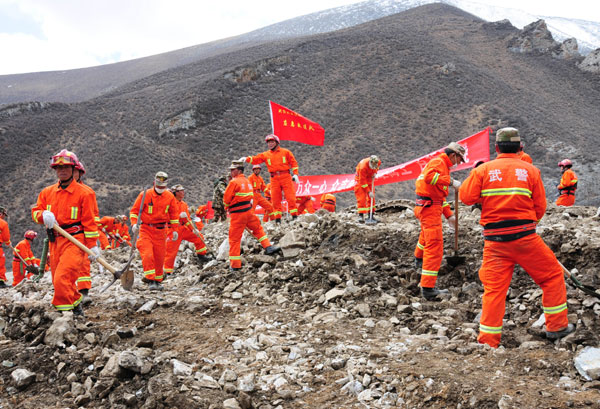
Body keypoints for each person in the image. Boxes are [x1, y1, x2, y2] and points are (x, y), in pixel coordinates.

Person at [460, 127, 573, 348]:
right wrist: (528, 224)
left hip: (494, 243)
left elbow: (466, 197)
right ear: (520, 147)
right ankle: (556, 327)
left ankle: (488, 340)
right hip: (525, 239)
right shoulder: (530, 171)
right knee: (552, 277)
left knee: (494, 290)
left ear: (496, 148)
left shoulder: (484, 171)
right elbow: (540, 207)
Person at [31, 149, 100, 315]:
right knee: (58, 280)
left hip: (75, 241)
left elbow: (90, 222)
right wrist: (42, 215)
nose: (62, 170)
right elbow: (35, 212)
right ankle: (76, 304)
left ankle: (65, 314)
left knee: (62, 277)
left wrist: (93, 245)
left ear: (73, 169)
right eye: (58, 168)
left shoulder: (86, 193)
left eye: (66, 167)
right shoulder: (47, 193)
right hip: (55, 241)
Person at [414, 142, 465, 300]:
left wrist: (449, 215)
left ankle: (418, 260)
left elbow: (439, 197)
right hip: (428, 209)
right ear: (453, 155)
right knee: (434, 246)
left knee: (426, 237)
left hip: (430, 207)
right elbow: (430, 178)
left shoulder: (443, 166)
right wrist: (450, 182)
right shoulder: (439, 163)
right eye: (458, 160)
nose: (458, 163)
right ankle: (428, 288)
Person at [223, 161, 280, 270]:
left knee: (234, 239)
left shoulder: (233, 182)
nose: (230, 172)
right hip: (248, 212)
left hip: (238, 215)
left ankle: (235, 265)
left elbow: (226, 199)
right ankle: (268, 246)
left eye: (232, 170)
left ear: (239, 171)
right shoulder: (247, 181)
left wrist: (227, 207)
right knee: (258, 229)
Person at [129, 171, 180, 291]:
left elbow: (174, 214)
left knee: (159, 257)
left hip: (161, 231)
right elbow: (134, 211)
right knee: (147, 254)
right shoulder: (145, 195)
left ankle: (157, 280)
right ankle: (150, 279)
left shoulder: (169, 197)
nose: (161, 188)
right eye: (159, 186)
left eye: (163, 187)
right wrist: (134, 224)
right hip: (146, 229)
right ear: (154, 183)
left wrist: (175, 230)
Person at [240, 134, 300, 223]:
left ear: (277, 142)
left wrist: (295, 174)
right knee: (275, 200)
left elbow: (293, 163)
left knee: (290, 197)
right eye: (268, 143)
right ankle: (278, 220)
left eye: (272, 142)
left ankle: (294, 217)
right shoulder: (266, 154)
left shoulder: (286, 152)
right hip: (274, 178)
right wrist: (247, 159)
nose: (270, 144)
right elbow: (256, 159)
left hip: (286, 176)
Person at [163, 184, 211, 277]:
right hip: (172, 229)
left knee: (199, 237)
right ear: (175, 193)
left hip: (183, 228)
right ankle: (167, 271)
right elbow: (165, 217)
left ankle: (201, 255)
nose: (183, 192)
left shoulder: (184, 204)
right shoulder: (169, 204)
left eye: (183, 190)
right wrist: (178, 216)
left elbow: (187, 220)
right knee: (171, 251)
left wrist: (193, 230)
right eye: (180, 191)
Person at [72, 159, 100, 303]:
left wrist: (92, 243)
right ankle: (70, 295)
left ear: (80, 173)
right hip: (63, 236)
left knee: (83, 264)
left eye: (75, 171)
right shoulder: (55, 191)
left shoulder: (87, 193)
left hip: (81, 235)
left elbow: (93, 216)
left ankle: (83, 292)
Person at [354, 155, 381, 223]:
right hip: (360, 181)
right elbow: (362, 181)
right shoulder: (363, 167)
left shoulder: (378, 161)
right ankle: (361, 216)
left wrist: (375, 172)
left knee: (372, 199)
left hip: (369, 179)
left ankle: (371, 216)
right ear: (370, 162)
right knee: (361, 198)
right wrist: (368, 191)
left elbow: (377, 167)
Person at [0, 206, 12, 288]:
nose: (4, 217)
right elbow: (5, 238)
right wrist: (8, 243)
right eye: (4, 215)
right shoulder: (2, 223)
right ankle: (1, 282)